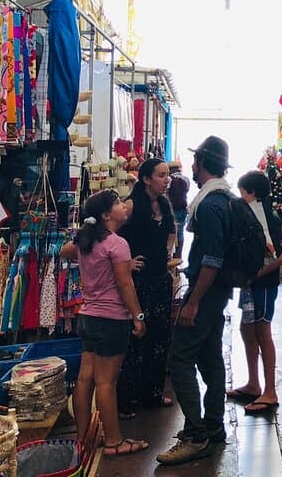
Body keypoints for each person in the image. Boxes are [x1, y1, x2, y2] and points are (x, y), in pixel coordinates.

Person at [156, 136, 233, 466]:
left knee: (180, 359)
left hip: (206, 293)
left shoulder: (211, 204)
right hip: (215, 294)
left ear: (202, 162)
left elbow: (213, 259)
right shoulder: (219, 198)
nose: (190, 165)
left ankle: (195, 434)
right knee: (210, 357)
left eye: (195, 160)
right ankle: (213, 427)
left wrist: (193, 302)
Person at [62, 190, 147, 458]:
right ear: (106, 215)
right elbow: (124, 284)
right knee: (106, 382)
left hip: (87, 316)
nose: (125, 206)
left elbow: (66, 252)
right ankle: (113, 441)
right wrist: (138, 316)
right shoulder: (116, 243)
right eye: (119, 204)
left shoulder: (88, 241)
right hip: (111, 320)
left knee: (84, 378)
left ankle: (83, 438)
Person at [116, 158, 175, 419]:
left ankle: (152, 392)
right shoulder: (130, 205)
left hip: (160, 278)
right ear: (146, 179)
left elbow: (171, 231)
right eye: (161, 175)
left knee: (159, 337)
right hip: (138, 282)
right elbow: (110, 235)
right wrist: (125, 263)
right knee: (135, 339)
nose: (166, 179)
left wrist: (168, 251)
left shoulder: (164, 204)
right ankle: (128, 398)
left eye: (167, 175)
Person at [226, 170, 282, 414]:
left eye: (242, 192)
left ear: (251, 193)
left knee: (263, 332)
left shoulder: (266, 217)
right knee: (247, 329)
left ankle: (270, 391)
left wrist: (253, 276)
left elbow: (280, 256)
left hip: (263, 283)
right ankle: (253, 383)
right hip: (254, 284)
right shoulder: (257, 214)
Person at [168, 160, 190, 259]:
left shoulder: (169, 179)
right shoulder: (186, 179)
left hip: (172, 209)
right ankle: (178, 255)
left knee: (172, 232)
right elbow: (187, 191)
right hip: (183, 208)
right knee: (180, 232)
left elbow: (166, 193)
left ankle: (171, 254)